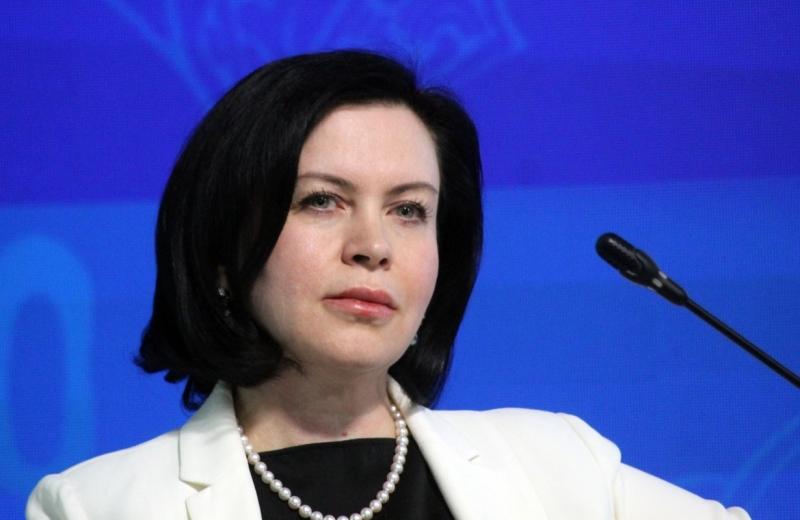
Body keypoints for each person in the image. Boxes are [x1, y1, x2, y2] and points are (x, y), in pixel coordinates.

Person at [26, 50, 750, 520]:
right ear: (221, 251)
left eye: (409, 211)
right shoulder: (96, 506)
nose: (373, 247)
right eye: (321, 200)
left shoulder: (563, 468)